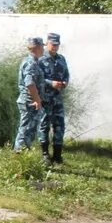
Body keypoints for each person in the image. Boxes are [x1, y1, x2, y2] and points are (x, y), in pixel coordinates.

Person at [38, 32, 69, 165]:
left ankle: (57, 156)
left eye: (57, 45)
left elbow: (66, 74)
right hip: (45, 99)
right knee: (44, 126)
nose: (55, 47)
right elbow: (37, 79)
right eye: (52, 44)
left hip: (57, 99)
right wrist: (51, 83)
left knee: (59, 126)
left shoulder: (61, 59)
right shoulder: (40, 59)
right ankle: (45, 154)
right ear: (47, 44)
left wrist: (65, 83)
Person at [13, 37, 46, 152]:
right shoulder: (31, 63)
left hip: (30, 101)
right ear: (37, 47)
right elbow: (29, 83)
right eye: (42, 46)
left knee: (29, 131)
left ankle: (24, 157)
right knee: (25, 131)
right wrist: (37, 99)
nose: (43, 49)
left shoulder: (31, 61)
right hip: (29, 102)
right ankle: (18, 159)